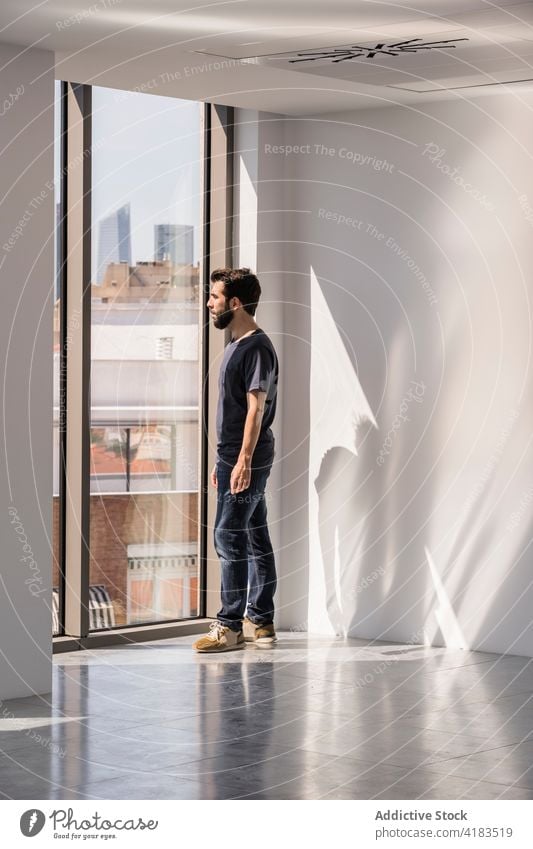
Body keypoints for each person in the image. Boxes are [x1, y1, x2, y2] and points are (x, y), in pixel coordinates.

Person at [193, 268, 279, 653]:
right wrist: (222, 460)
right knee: (255, 532)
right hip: (233, 456)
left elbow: (255, 409)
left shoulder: (256, 347)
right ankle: (261, 619)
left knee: (228, 535)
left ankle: (229, 627)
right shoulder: (235, 343)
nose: (209, 303)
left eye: (214, 297)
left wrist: (243, 460)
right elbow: (232, 411)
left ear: (235, 303)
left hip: (248, 456)